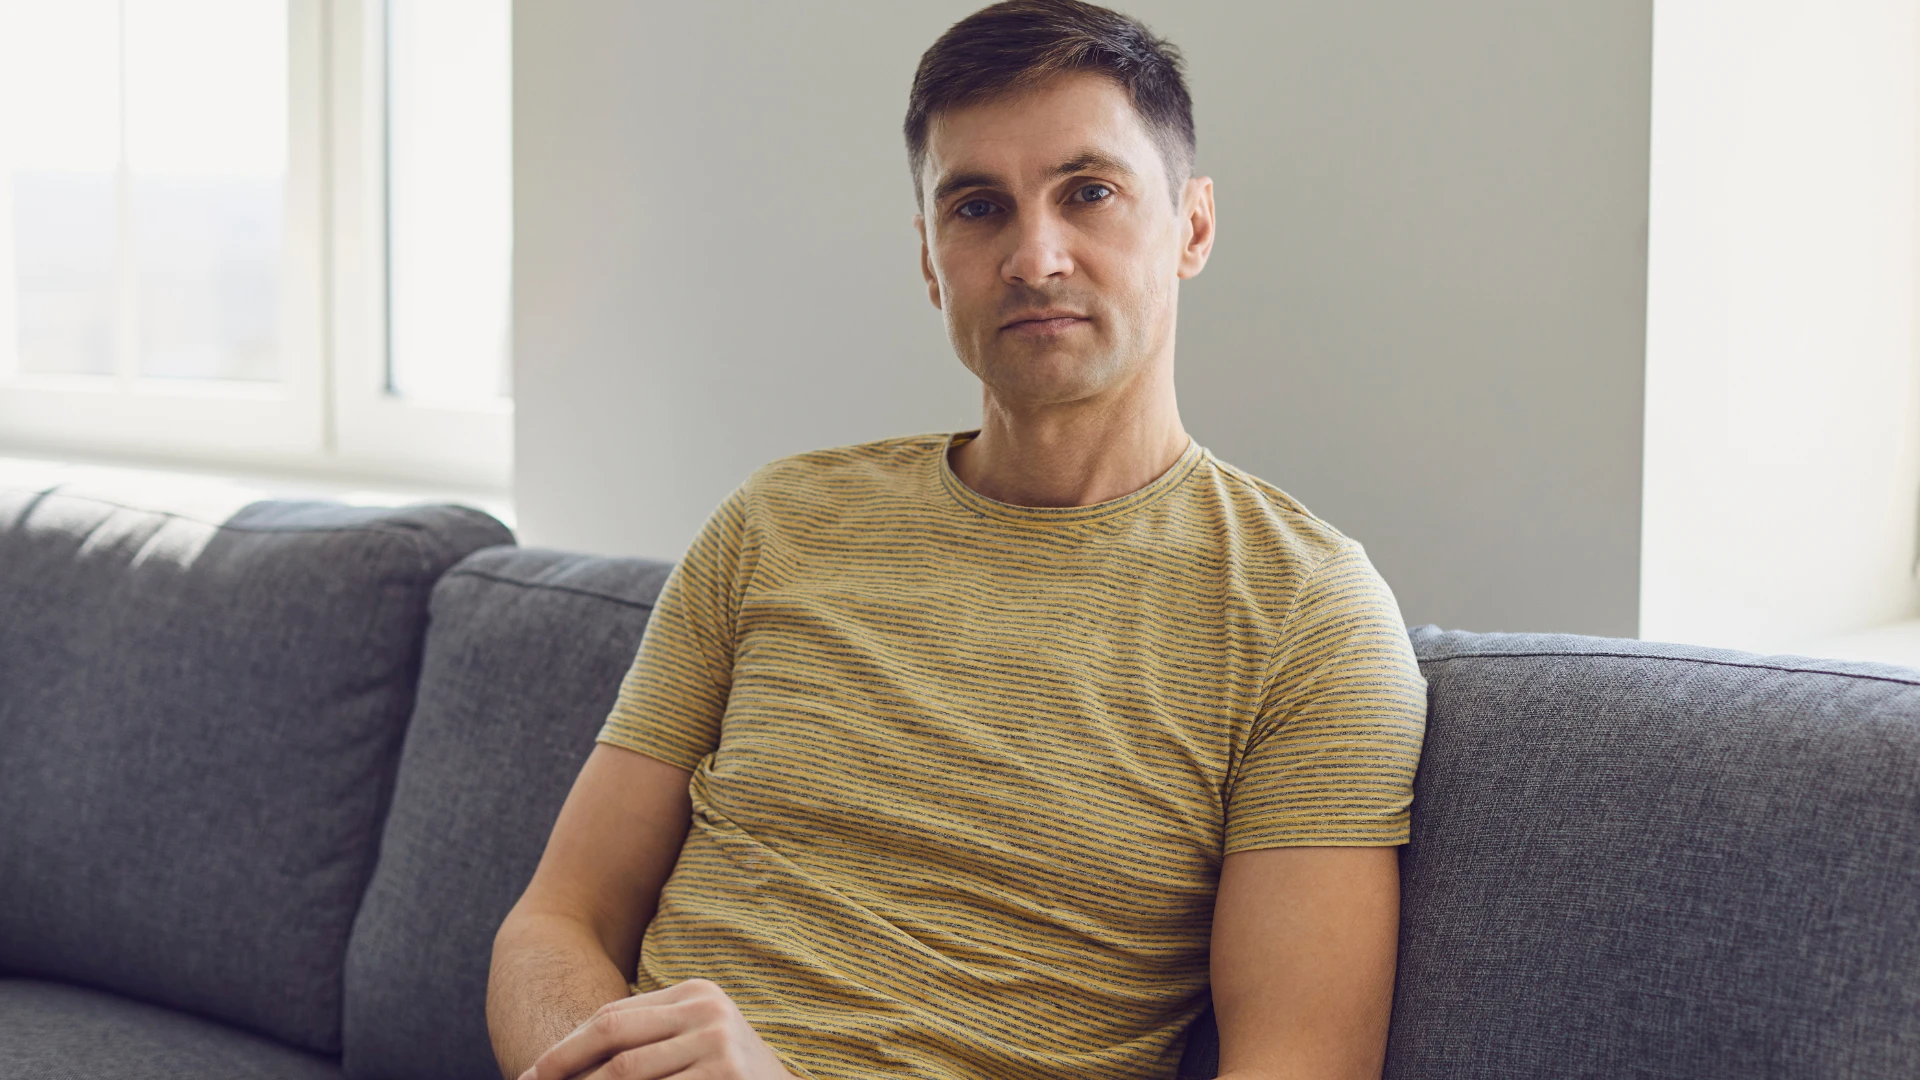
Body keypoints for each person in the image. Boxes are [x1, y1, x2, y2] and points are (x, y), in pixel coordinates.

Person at [487, 2, 1427, 1077]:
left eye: (1091, 193)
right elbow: (553, 924)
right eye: (978, 207)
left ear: (1193, 228)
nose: (1035, 257)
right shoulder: (776, 524)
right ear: (932, 262)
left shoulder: (1307, 614)